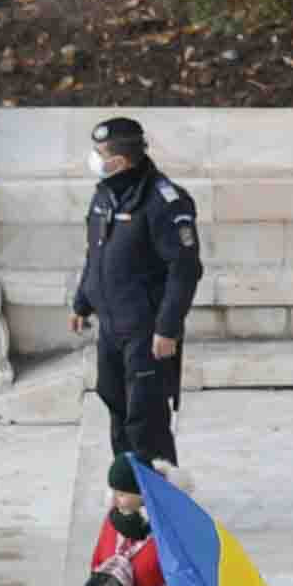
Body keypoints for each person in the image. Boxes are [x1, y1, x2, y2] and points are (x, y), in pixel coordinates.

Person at [76, 109, 202, 464]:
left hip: (146, 329)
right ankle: (128, 492)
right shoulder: (105, 194)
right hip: (111, 324)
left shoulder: (165, 202)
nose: (94, 160)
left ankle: (159, 496)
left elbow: (185, 268)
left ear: (117, 161)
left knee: (145, 416)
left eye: (100, 155)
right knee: (114, 401)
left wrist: (167, 328)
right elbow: (96, 252)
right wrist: (82, 301)